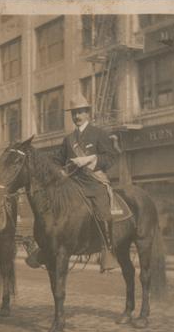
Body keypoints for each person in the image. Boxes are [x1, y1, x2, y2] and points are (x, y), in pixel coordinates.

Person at [26, 93, 118, 272]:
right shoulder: (69, 139)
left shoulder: (99, 134)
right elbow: (58, 159)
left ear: (87, 113)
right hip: (73, 184)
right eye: (74, 113)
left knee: (102, 210)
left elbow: (111, 157)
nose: (77, 116)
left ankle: (107, 248)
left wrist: (90, 159)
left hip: (93, 182)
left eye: (80, 112)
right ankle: (47, 246)